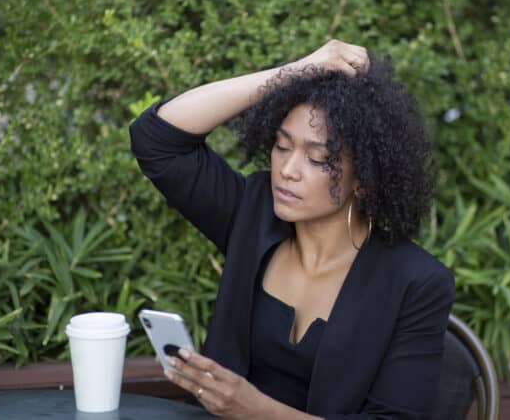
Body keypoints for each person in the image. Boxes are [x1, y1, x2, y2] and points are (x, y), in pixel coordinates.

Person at [129, 40, 455, 419]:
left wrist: (253, 410)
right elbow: (156, 139)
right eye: (282, 147)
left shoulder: (416, 283)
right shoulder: (252, 213)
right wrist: (298, 71)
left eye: (317, 158)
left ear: (363, 178)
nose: (288, 170)